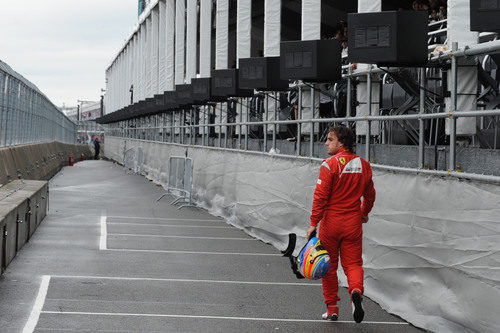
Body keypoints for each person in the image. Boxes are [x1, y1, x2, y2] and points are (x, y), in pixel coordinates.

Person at [307, 125, 376, 323]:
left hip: (331, 223)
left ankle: (332, 308)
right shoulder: (364, 165)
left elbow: (320, 196)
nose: (326, 143)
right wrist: (364, 213)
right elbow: (370, 195)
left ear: (341, 142)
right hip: (353, 222)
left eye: (330, 139)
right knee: (353, 264)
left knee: (328, 266)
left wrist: (313, 223)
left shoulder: (329, 164)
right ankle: (355, 292)